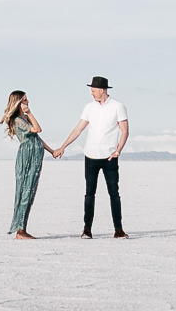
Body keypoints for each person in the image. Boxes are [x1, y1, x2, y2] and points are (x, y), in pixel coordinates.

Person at [52, 75, 129, 238]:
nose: (91, 93)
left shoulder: (118, 106)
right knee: (89, 193)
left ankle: (118, 229)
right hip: (91, 157)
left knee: (114, 193)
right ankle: (87, 229)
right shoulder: (89, 107)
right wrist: (63, 147)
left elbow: (124, 131)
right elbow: (78, 129)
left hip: (110, 157)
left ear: (102, 90)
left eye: (93, 90)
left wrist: (118, 150)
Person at [0, 90, 53, 239]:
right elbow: (37, 129)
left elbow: (37, 137)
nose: (27, 102)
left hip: (35, 155)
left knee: (31, 191)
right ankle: (20, 230)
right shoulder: (17, 119)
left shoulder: (23, 118)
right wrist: (30, 113)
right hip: (27, 156)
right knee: (25, 191)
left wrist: (51, 151)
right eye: (24, 100)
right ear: (17, 103)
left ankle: (23, 228)